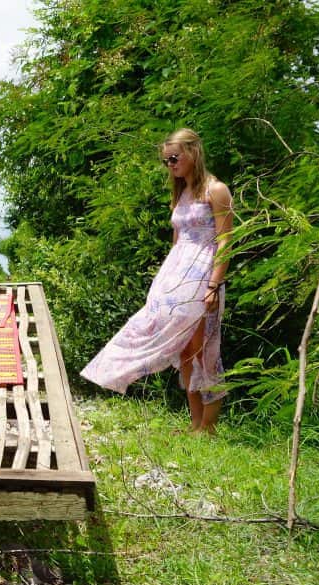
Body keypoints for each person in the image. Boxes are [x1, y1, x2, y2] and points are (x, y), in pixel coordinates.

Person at [80, 128, 232, 434]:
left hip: (203, 275)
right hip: (176, 277)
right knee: (185, 350)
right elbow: (177, 243)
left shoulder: (216, 190)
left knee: (205, 350)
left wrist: (215, 284)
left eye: (174, 158)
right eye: (166, 161)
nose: (170, 165)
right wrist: (163, 283)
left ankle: (209, 426)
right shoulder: (182, 192)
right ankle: (195, 423)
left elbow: (226, 241)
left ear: (193, 153)